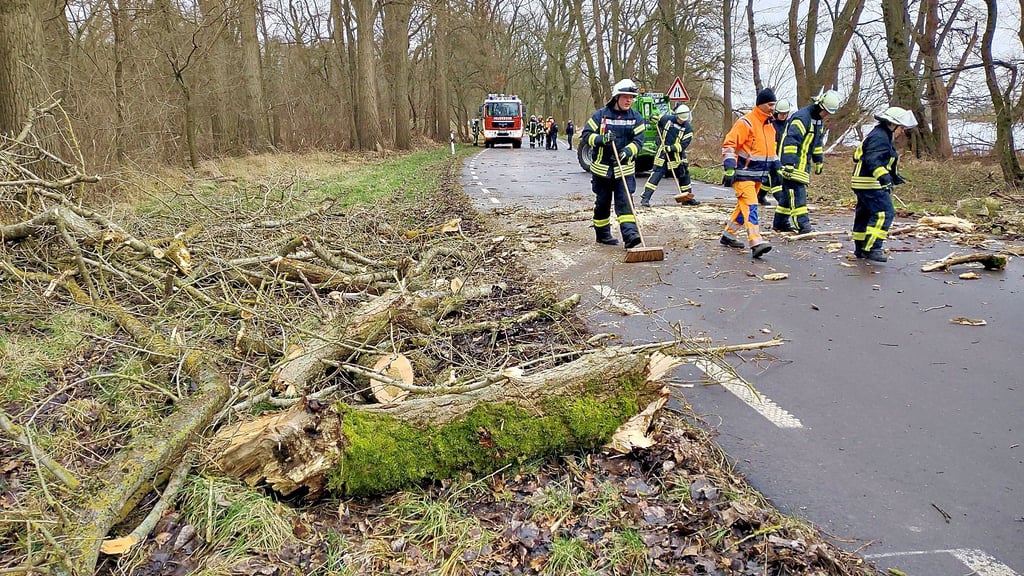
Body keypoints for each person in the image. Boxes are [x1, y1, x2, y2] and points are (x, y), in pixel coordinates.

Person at [580, 78, 646, 248]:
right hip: (602, 171)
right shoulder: (601, 115)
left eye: (631, 98)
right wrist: (601, 139)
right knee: (602, 203)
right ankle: (602, 235)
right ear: (616, 97)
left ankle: (631, 236)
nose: (629, 100)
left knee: (625, 202)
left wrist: (628, 151)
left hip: (624, 170)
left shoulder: (636, 118)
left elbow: (639, 141)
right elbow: (586, 135)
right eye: (625, 97)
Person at [850, 106, 917, 262]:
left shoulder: (879, 134)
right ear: (892, 124)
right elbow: (873, 160)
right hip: (870, 183)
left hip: (863, 181)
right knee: (884, 213)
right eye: (901, 127)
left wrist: (893, 177)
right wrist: (884, 179)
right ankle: (872, 248)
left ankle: (860, 248)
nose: (902, 131)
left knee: (864, 215)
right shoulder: (880, 137)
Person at [720, 87, 780, 259]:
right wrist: (730, 167)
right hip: (743, 174)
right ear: (760, 104)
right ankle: (756, 241)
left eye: (774, 104)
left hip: (758, 175)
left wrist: (777, 167)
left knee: (743, 208)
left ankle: (728, 236)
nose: (772, 108)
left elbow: (771, 151)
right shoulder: (745, 123)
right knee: (751, 205)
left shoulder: (770, 126)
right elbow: (729, 145)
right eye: (770, 104)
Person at [773, 90, 840, 234]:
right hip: (791, 164)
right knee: (798, 194)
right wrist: (789, 163)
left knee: (787, 196)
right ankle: (803, 225)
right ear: (819, 106)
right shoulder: (802, 118)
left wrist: (819, 160)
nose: (826, 115)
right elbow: (791, 141)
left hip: (803, 165)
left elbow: (816, 143)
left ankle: (780, 223)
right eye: (825, 112)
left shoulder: (818, 121)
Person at [641, 103, 699, 207]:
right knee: (656, 175)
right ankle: (645, 198)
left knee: (684, 175)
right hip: (662, 155)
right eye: (680, 119)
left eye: (684, 119)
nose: (682, 121)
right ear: (676, 115)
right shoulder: (667, 119)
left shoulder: (688, 129)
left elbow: (683, 145)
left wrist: (670, 148)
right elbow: (655, 117)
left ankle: (687, 198)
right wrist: (652, 117)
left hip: (677, 156)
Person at [762, 98, 791, 206]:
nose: (783, 116)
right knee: (776, 181)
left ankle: (759, 196)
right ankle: (783, 203)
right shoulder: (770, 124)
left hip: (782, 157)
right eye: (781, 114)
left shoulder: (789, 125)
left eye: (785, 114)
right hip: (771, 157)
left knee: (766, 181)